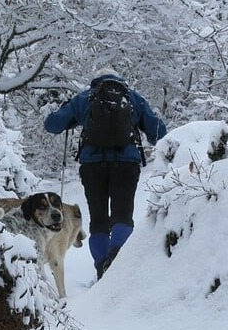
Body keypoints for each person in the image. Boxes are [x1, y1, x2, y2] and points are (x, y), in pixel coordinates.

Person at [44, 70, 167, 279]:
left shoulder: (84, 98)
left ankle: (102, 266)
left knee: (99, 220)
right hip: (127, 164)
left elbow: (52, 124)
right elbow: (159, 133)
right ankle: (117, 258)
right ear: (119, 80)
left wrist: (72, 115)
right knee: (123, 215)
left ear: (96, 81)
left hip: (93, 166)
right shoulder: (133, 98)